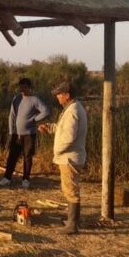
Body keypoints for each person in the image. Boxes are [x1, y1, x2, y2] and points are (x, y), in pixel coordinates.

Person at [38, 81, 88, 235]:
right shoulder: (72, 108)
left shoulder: (72, 110)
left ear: (67, 95)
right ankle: (72, 221)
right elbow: (63, 129)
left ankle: (72, 225)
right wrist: (50, 128)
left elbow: (68, 137)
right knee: (69, 189)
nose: (57, 97)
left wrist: (57, 151)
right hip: (70, 157)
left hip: (69, 158)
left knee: (71, 190)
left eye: (59, 94)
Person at [0, 78, 50, 189]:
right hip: (16, 134)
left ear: (29, 87)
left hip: (29, 134)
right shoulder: (16, 98)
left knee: (27, 156)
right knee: (12, 156)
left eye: (24, 87)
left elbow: (46, 111)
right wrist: (11, 132)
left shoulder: (34, 99)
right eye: (21, 87)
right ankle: (7, 178)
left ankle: (26, 179)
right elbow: (11, 116)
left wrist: (35, 120)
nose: (22, 89)